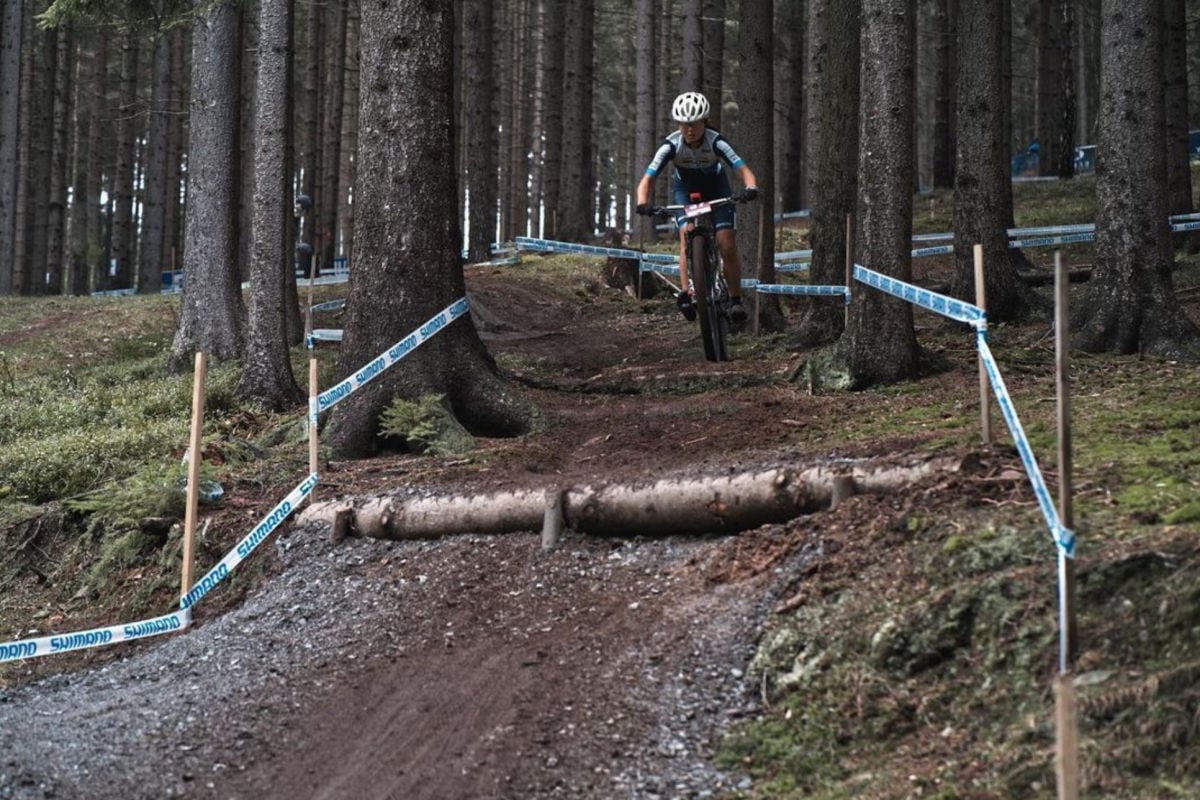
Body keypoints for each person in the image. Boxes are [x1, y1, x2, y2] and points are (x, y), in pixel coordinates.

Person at [635, 91, 758, 323]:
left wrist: (750, 188)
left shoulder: (716, 141)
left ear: (704, 122)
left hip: (716, 189)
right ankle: (687, 293)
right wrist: (643, 203)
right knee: (686, 235)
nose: (689, 129)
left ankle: (735, 300)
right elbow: (647, 179)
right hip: (686, 192)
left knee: (726, 243)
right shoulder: (670, 145)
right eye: (684, 124)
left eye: (694, 124)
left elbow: (743, 169)